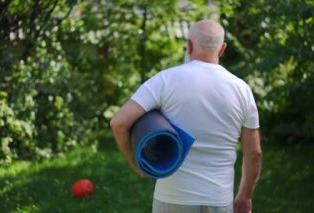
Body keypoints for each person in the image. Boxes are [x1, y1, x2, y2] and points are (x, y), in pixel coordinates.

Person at [110, 19, 262, 213]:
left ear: (188, 45)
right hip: (219, 200)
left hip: (172, 200)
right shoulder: (242, 90)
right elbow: (254, 152)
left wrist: (137, 165)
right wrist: (245, 196)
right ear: (222, 49)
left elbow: (118, 123)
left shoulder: (165, 80)